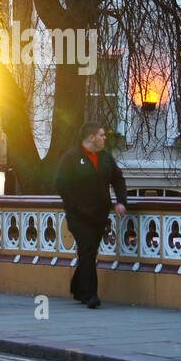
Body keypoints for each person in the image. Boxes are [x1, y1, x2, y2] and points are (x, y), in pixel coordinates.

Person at [54, 122, 128, 309]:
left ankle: (77, 287)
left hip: (99, 214)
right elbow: (61, 185)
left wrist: (121, 201)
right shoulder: (71, 157)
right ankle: (91, 295)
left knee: (89, 252)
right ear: (91, 138)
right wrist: (74, 206)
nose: (105, 138)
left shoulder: (105, 158)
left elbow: (118, 179)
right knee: (87, 250)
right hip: (78, 215)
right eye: (102, 135)